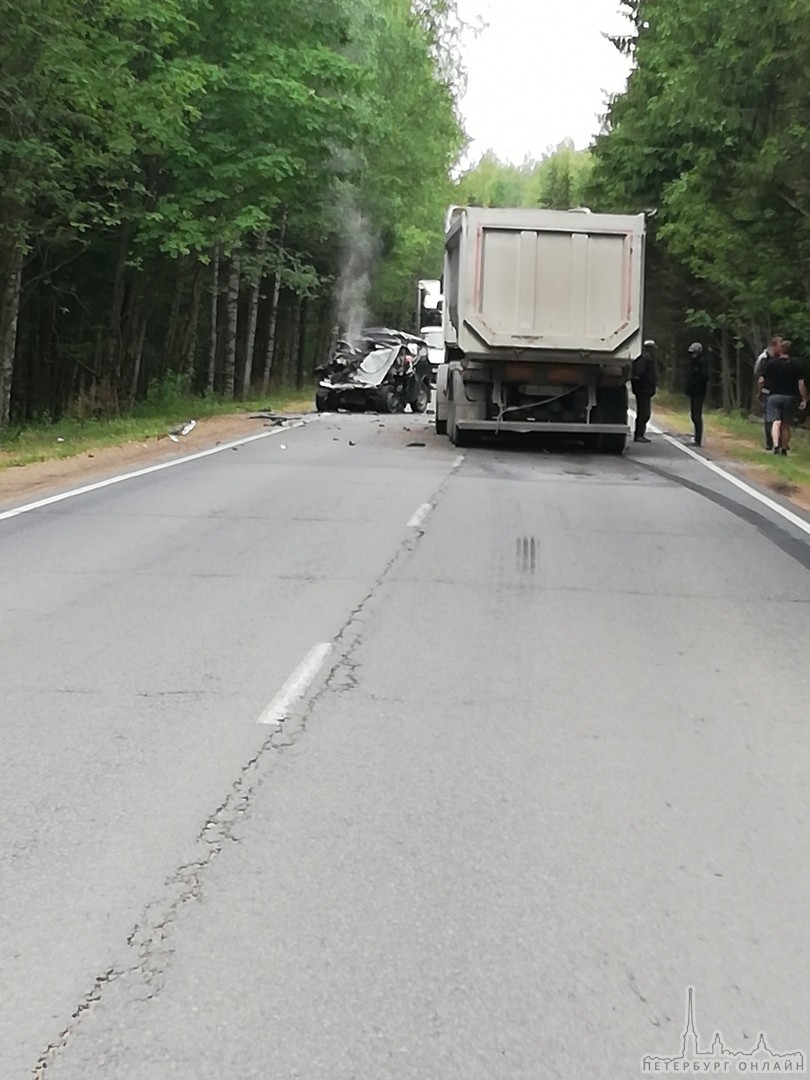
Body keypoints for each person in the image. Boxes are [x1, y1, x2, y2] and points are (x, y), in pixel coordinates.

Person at [759, 339, 809, 455]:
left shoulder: (772, 364)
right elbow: (801, 384)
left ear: (781, 349)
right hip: (790, 397)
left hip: (774, 395)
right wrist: (804, 399)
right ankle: (784, 447)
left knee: (776, 422)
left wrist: (760, 391)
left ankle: (776, 445)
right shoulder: (796, 365)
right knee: (786, 424)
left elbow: (762, 380)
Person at [753, 336, 782, 449]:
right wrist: (759, 390)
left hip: (778, 389)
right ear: (774, 345)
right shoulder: (765, 357)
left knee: (779, 418)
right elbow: (759, 373)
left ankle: (779, 441)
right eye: (780, 344)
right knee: (769, 417)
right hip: (767, 389)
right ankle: (770, 442)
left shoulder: (780, 357)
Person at [632, 339, 658, 442]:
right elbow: (638, 375)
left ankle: (640, 433)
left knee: (644, 413)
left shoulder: (647, 360)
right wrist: (644, 387)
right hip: (643, 390)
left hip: (645, 390)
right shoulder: (643, 360)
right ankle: (638, 434)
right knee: (644, 413)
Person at [684, 342, 709, 446]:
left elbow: (704, 377)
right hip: (693, 392)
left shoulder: (702, 363)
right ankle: (696, 437)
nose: (692, 355)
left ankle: (698, 439)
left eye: (694, 353)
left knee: (697, 415)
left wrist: (693, 385)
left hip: (699, 392)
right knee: (694, 415)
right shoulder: (693, 363)